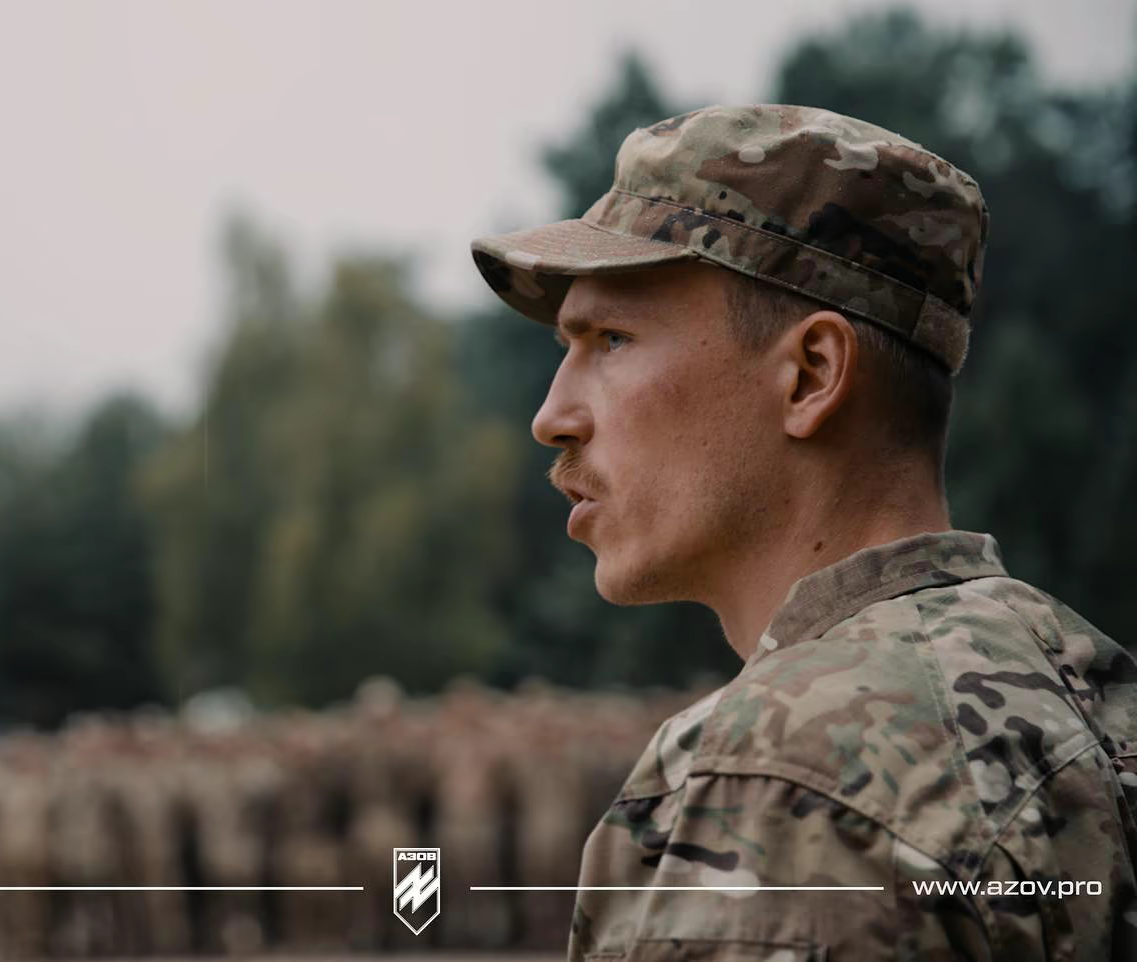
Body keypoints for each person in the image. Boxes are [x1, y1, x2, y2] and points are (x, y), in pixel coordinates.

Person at [469, 104, 1137, 961]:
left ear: (811, 375)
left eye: (612, 339)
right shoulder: (1094, 696)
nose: (552, 416)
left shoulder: (782, 777)